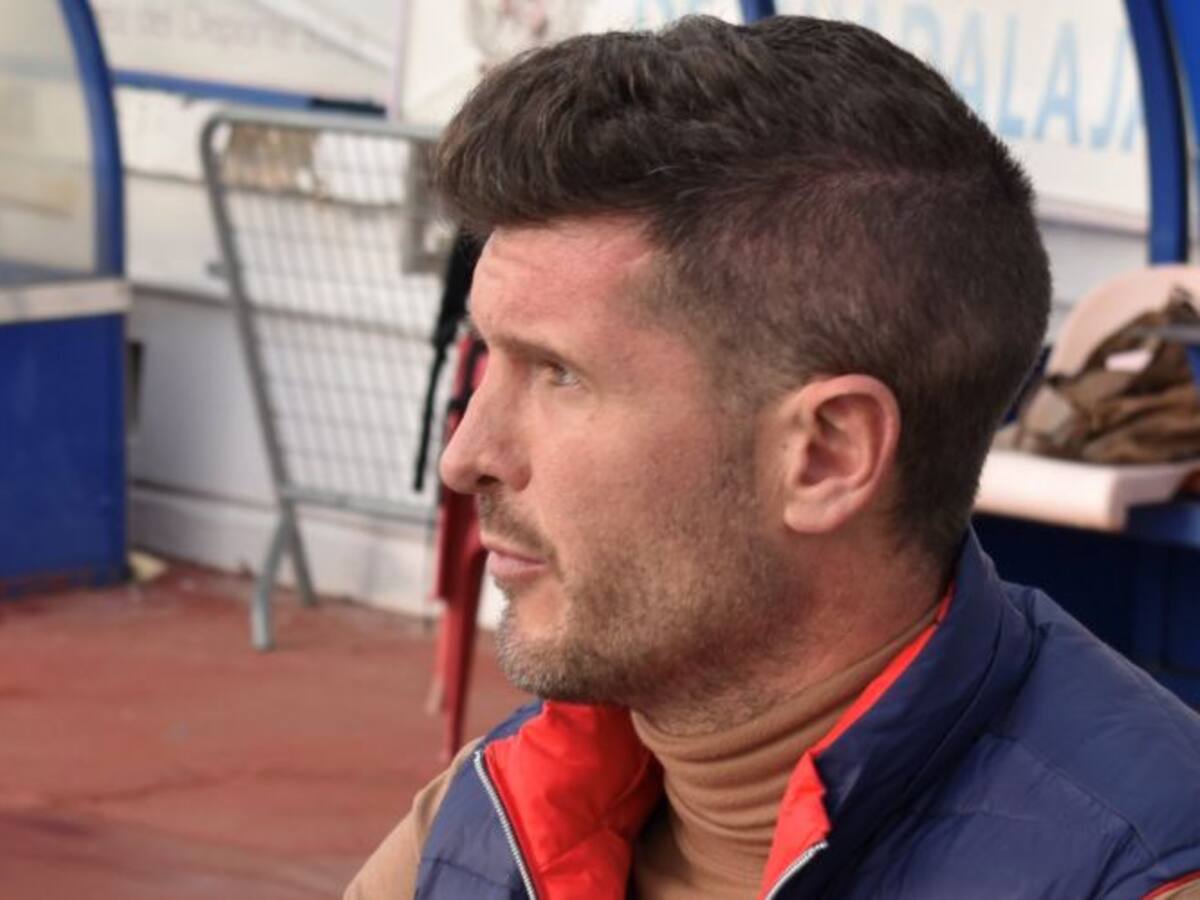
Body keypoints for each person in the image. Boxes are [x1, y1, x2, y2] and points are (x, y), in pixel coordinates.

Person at [347, 14, 1200, 899]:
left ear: (827, 455)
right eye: (490, 359)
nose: (466, 456)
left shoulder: (1140, 872)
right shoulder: (484, 826)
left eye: (558, 373)